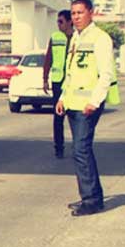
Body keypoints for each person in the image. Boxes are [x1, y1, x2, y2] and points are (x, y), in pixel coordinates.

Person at [55, 0, 115, 217]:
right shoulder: (75, 38)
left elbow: (106, 73)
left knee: (81, 150)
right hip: (72, 103)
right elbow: (70, 72)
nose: (76, 17)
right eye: (73, 13)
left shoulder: (101, 39)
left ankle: (91, 200)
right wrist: (62, 97)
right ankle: (92, 196)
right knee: (80, 151)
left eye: (80, 12)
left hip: (87, 105)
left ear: (91, 13)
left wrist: (95, 101)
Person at [42, 10, 72, 158]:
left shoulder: (78, 38)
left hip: (73, 82)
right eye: (57, 22)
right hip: (58, 81)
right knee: (58, 116)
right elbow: (48, 58)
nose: (58, 24)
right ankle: (58, 147)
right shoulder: (55, 37)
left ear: (69, 21)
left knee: (74, 115)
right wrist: (45, 78)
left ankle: (78, 147)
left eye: (61, 21)